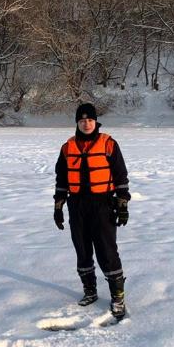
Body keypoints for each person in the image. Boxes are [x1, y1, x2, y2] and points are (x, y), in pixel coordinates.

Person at [53, 103, 130, 320]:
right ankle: (90, 291)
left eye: (90, 120)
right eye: (82, 120)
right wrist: (58, 206)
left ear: (95, 121)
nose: (86, 124)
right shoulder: (67, 148)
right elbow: (61, 179)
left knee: (107, 251)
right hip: (77, 206)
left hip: (102, 205)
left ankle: (118, 296)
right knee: (82, 250)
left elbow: (120, 176)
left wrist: (122, 204)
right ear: (77, 123)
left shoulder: (108, 144)